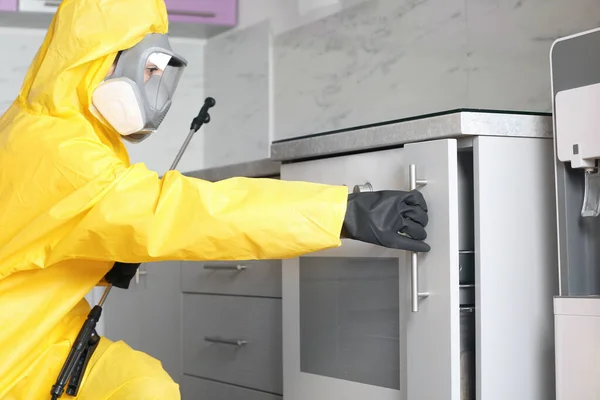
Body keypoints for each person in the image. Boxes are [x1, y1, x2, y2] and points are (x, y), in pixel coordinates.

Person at [0, 0, 430, 398]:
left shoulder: (41, 126)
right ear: (104, 60)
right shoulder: (63, 154)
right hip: (14, 355)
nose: (155, 86)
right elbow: (185, 213)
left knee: (142, 386)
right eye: (150, 70)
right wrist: (340, 212)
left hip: (44, 338)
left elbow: (32, 246)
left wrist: (100, 259)